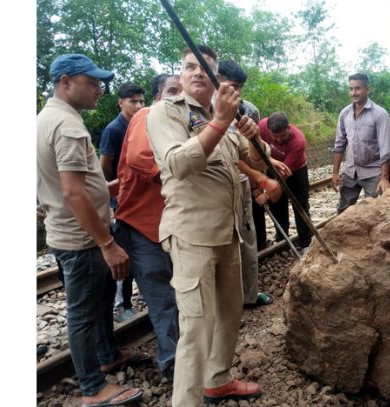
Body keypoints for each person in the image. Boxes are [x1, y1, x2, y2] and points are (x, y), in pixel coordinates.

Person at [146, 45, 268, 406]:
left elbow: (259, 164)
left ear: (216, 79)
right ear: (181, 74)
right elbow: (179, 165)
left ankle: (217, 380)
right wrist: (220, 122)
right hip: (192, 237)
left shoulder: (224, 115)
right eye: (189, 67)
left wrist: (251, 133)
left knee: (229, 314)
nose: (197, 72)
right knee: (196, 330)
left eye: (205, 68)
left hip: (227, 233)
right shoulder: (164, 113)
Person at [37, 53, 146, 407]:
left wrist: (115, 186)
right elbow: (72, 191)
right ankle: (92, 388)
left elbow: (67, 183)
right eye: (92, 82)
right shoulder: (67, 126)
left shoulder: (47, 118)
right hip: (82, 240)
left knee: (99, 304)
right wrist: (107, 242)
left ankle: (107, 353)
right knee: (83, 314)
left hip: (70, 232)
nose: (99, 88)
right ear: (65, 81)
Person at [111, 73, 182, 380]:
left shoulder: (182, 124)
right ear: (157, 96)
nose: (177, 97)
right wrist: (178, 176)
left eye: (182, 92)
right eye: (171, 91)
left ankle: (183, 357)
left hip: (167, 228)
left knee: (176, 296)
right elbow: (140, 158)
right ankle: (174, 367)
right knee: (164, 300)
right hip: (143, 228)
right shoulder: (147, 115)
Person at [218, 59, 282, 307]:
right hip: (217, 193)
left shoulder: (243, 110)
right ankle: (228, 302)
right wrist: (260, 178)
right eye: (233, 85)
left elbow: (250, 156)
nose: (237, 93)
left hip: (241, 187)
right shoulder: (201, 112)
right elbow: (225, 158)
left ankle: (248, 295)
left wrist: (261, 166)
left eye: (240, 87)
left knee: (247, 239)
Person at [100, 82, 146, 323]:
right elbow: (105, 164)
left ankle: (147, 292)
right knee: (126, 250)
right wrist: (112, 196)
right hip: (124, 200)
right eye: (133, 101)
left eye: (141, 101)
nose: (138, 106)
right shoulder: (114, 129)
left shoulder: (145, 123)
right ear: (121, 102)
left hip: (144, 198)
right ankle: (124, 304)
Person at [332, 73, 390, 213]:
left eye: (357, 88)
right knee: (344, 210)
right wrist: (335, 173)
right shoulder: (344, 113)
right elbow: (339, 144)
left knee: (375, 212)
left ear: (368, 89)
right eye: (351, 89)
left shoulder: (380, 114)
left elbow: (385, 149)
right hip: (351, 171)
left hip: (373, 172)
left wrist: (384, 178)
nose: (354, 93)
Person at [258, 112, 312, 252]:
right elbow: (255, 148)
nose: (279, 140)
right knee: (277, 206)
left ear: (289, 127)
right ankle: (282, 241)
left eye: (283, 136)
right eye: (274, 137)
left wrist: (267, 193)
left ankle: (305, 242)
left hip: (295, 171)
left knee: (300, 206)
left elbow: (284, 174)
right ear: (268, 130)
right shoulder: (262, 126)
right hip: (272, 167)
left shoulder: (298, 141)